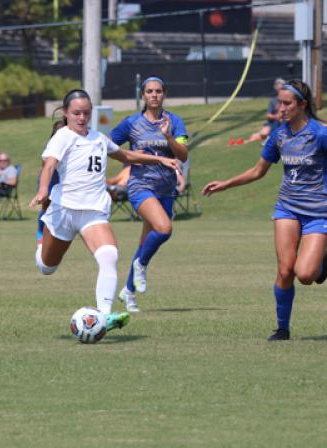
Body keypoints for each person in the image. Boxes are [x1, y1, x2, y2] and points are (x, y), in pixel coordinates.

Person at [29, 88, 181, 333]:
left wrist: (160, 159)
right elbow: (48, 167)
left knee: (109, 255)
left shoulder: (98, 138)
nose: (81, 118)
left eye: (86, 113)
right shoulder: (62, 137)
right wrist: (43, 190)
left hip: (93, 213)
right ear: (66, 113)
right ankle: (41, 235)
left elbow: (126, 155)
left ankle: (105, 317)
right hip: (64, 211)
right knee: (47, 267)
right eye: (76, 113)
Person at [202, 80, 327, 341]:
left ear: (302, 105)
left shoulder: (319, 133)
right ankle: (282, 328)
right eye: (279, 102)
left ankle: (321, 264)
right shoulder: (279, 135)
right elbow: (258, 171)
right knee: (285, 271)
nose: (280, 108)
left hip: (319, 212)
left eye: (286, 103)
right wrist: (226, 184)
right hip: (287, 208)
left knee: (305, 275)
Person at [110, 76, 189, 313]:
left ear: (164, 94)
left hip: (166, 190)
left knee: (146, 242)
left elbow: (183, 155)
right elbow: (107, 146)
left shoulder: (175, 121)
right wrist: (131, 156)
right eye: (149, 91)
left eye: (158, 91)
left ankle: (128, 292)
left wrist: (167, 137)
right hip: (140, 186)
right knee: (164, 229)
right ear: (142, 95)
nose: (154, 95)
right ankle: (141, 264)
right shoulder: (132, 123)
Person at [229, 78, 285, 146]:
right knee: (263, 133)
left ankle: (269, 138)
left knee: (276, 126)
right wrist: (276, 116)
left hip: (282, 123)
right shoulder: (273, 101)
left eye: (281, 85)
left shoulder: (286, 99)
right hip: (272, 123)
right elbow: (268, 115)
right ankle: (245, 141)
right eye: (277, 85)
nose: (279, 87)